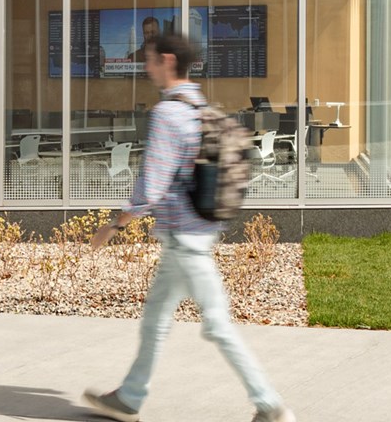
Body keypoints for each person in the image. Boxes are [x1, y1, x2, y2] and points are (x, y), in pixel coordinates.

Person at [82, 33, 295, 422]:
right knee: (156, 320)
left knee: (216, 325)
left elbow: (152, 187)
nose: (146, 68)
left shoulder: (168, 114)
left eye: (148, 61)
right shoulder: (199, 107)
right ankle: (129, 397)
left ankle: (269, 404)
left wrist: (114, 225)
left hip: (185, 239)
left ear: (166, 61)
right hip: (190, 234)